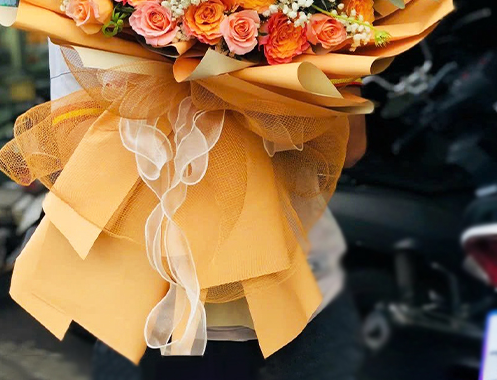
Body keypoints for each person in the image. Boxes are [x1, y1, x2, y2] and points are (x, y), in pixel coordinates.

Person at [49, 41, 366, 380]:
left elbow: (74, 153)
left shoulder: (82, 17)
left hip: (156, 284)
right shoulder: (327, 21)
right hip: (285, 280)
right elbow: (349, 147)